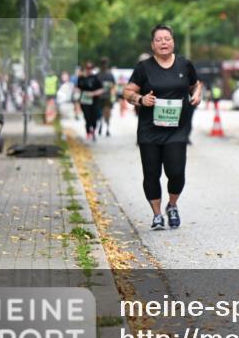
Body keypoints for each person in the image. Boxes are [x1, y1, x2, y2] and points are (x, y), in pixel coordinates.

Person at [123, 25, 202, 230]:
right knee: (151, 173)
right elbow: (127, 92)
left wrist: (197, 94)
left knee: (176, 172)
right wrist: (141, 99)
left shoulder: (184, 64)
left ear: (173, 42)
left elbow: (196, 84)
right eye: (159, 40)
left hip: (177, 128)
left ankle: (172, 205)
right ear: (152, 45)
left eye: (167, 39)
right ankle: (157, 214)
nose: (164, 43)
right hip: (150, 129)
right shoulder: (144, 68)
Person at [76, 62, 105, 140]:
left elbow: (102, 89)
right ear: (85, 69)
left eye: (90, 68)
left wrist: (93, 93)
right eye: (87, 68)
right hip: (84, 101)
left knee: (94, 117)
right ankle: (88, 131)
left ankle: (94, 129)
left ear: (92, 69)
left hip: (94, 101)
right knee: (87, 117)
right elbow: (77, 88)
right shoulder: (81, 78)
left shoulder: (96, 78)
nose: (89, 70)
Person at [97, 57, 116, 137]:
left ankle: (106, 128)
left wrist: (112, 95)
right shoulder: (99, 75)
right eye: (103, 63)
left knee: (106, 113)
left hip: (106, 97)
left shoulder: (108, 74)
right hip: (101, 97)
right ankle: (103, 126)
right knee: (102, 113)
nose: (104, 65)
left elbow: (113, 86)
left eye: (105, 63)